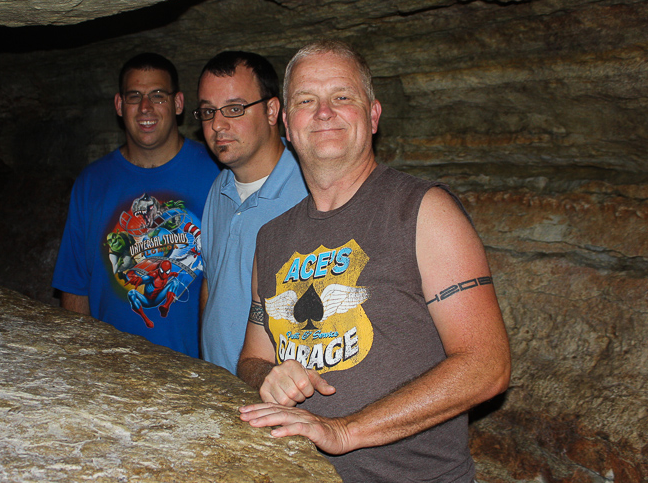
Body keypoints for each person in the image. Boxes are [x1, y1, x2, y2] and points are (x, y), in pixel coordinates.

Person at [237, 40, 511, 482]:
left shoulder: (424, 211)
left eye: (342, 96)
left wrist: (346, 431)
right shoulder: (271, 238)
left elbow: (487, 365)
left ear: (374, 114)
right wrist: (268, 376)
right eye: (307, 101)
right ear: (287, 125)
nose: (324, 112)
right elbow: (251, 358)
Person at [52, 53, 220, 356]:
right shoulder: (92, 183)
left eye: (158, 95)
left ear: (178, 103)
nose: (146, 107)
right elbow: (75, 289)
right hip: (112, 370)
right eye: (135, 96)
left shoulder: (217, 173)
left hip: (200, 373)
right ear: (119, 105)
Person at [196, 51, 308, 374]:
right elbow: (211, 282)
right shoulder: (219, 189)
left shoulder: (309, 191)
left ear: (272, 110)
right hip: (217, 392)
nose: (217, 124)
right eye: (207, 112)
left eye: (234, 108)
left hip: (278, 397)